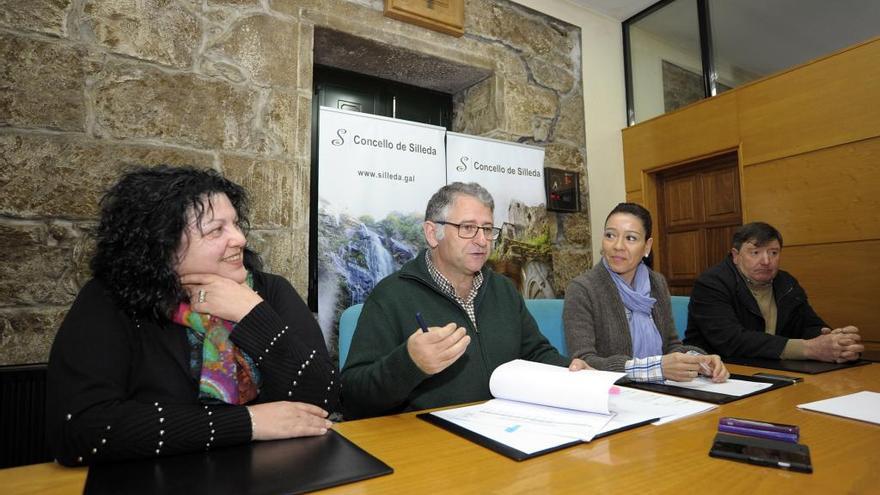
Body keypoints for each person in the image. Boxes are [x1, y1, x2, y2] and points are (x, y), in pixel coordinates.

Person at [47, 165, 339, 466]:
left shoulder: (271, 290)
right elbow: (80, 429)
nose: (239, 238)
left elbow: (323, 397)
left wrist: (252, 314)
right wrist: (248, 422)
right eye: (216, 230)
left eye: (236, 224)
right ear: (164, 245)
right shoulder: (109, 300)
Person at [340, 182, 589, 419]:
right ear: (432, 233)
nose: (482, 240)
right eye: (468, 228)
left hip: (506, 433)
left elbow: (535, 353)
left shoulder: (503, 289)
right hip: (431, 448)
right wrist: (409, 363)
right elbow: (352, 397)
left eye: (488, 229)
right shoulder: (391, 296)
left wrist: (572, 370)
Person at [563, 203, 729, 383]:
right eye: (610, 235)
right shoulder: (582, 288)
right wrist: (655, 369)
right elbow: (584, 361)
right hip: (615, 394)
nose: (618, 246)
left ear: (647, 246)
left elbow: (671, 345)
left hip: (662, 391)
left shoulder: (656, 283)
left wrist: (698, 360)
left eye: (631, 238)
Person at [684, 222, 863, 362]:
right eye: (755, 252)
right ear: (736, 256)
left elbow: (808, 325)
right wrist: (809, 348)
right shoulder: (712, 283)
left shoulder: (786, 282)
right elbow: (731, 341)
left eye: (774, 253)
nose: (766, 261)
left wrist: (837, 343)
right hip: (719, 371)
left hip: (774, 367)